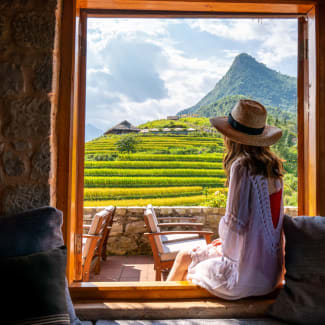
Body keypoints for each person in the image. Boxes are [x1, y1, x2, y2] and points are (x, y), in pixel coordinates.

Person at [166, 99, 285, 300]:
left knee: (184, 257)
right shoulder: (272, 169)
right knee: (192, 257)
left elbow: (234, 226)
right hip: (270, 273)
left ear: (232, 137)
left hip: (245, 277)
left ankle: (164, 306)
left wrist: (221, 244)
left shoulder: (242, 166)